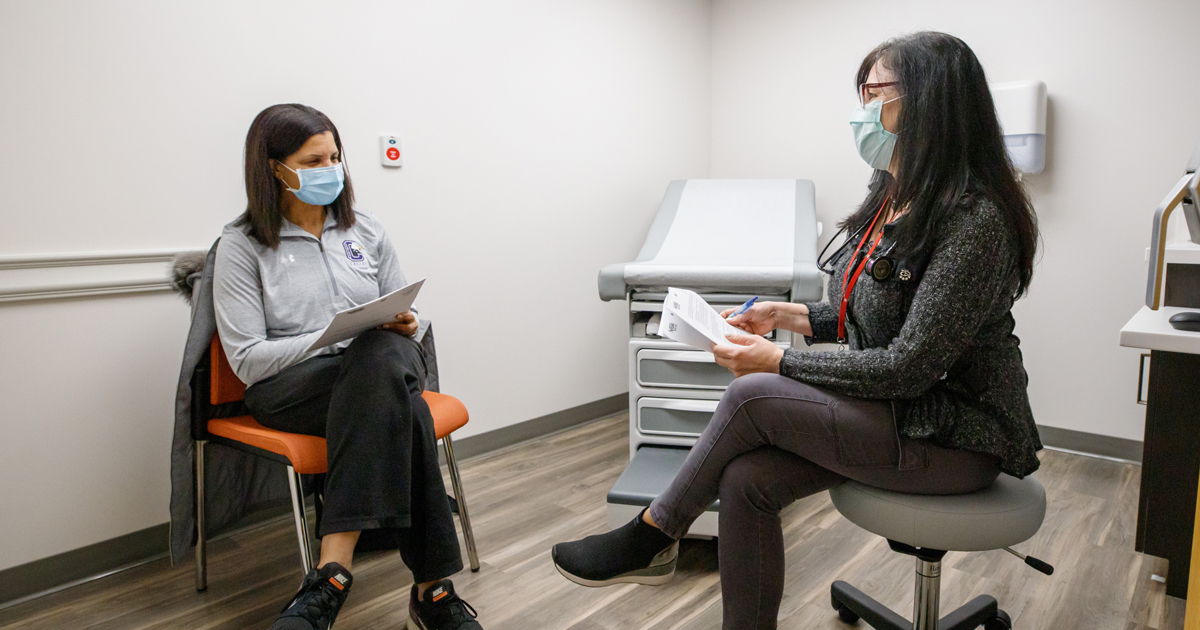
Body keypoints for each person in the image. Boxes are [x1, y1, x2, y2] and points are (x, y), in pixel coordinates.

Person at [551, 31, 1042, 630]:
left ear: (928, 101)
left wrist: (776, 361)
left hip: (952, 435)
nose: (860, 110)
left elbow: (907, 363)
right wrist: (784, 317)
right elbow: (865, 314)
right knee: (747, 478)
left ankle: (652, 534)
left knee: (751, 394)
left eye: (873, 93)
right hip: (887, 413)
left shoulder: (976, 220)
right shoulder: (894, 194)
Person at [213, 103, 483, 630]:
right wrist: (327, 337)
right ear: (274, 168)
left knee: (380, 359)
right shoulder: (241, 247)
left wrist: (404, 323)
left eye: (335, 156)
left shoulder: (367, 231)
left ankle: (331, 575)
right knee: (408, 411)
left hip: (382, 364)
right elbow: (246, 361)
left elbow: (403, 311)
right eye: (315, 160)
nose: (331, 169)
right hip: (292, 389)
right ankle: (432, 594)